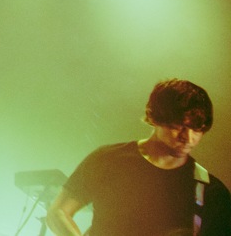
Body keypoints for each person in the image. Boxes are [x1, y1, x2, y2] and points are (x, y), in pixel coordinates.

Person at [47, 78, 231, 236]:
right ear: (156, 117)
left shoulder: (212, 191)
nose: (188, 138)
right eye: (179, 126)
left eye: (197, 129)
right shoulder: (108, 159)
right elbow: (58, 212)